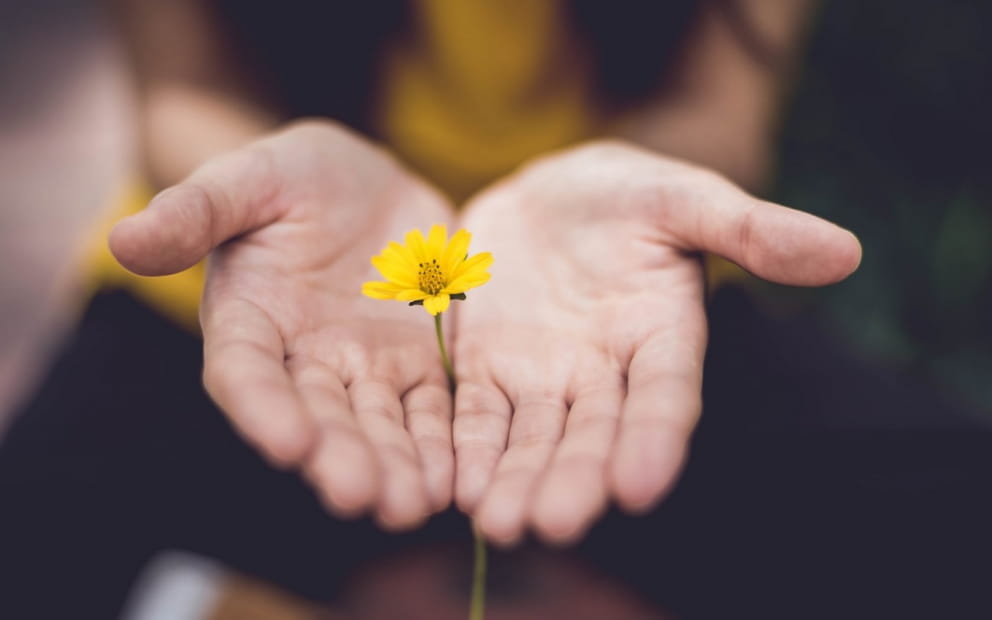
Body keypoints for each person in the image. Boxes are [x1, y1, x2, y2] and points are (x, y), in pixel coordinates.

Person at [1, 1, 988, 618]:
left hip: (605, 301)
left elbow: (716, 109)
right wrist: (247, 184)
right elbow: (184, 86)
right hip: (263, 295)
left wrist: (644, 175)